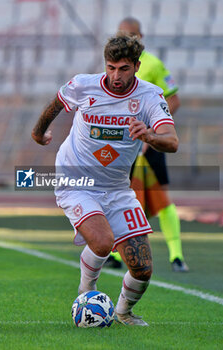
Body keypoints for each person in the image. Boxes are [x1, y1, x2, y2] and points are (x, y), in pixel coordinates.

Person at [31, 34, 179, 326]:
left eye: (123, 68)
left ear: (136, 66)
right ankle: (86, 292)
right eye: (111, 67)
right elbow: (56, 103)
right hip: (76, 179)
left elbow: (172, 142)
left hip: (116, 187)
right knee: (102, 242)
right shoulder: (84, 85)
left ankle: (123, 312)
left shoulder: (150, 96)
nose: (115, 76)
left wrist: (149, 134)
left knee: (143, 268)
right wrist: (39, 133)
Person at [106, 17, 189, 272]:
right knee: (118, 196)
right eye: (121, 33)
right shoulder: (113, 67)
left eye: (130, 34)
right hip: (120, 145)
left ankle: (176, 255)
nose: (126, 38)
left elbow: (173, 100)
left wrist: (152, 132)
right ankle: (117, 255)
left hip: (148, 145)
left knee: (161, 197)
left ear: (140, 37)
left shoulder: (153, 64)